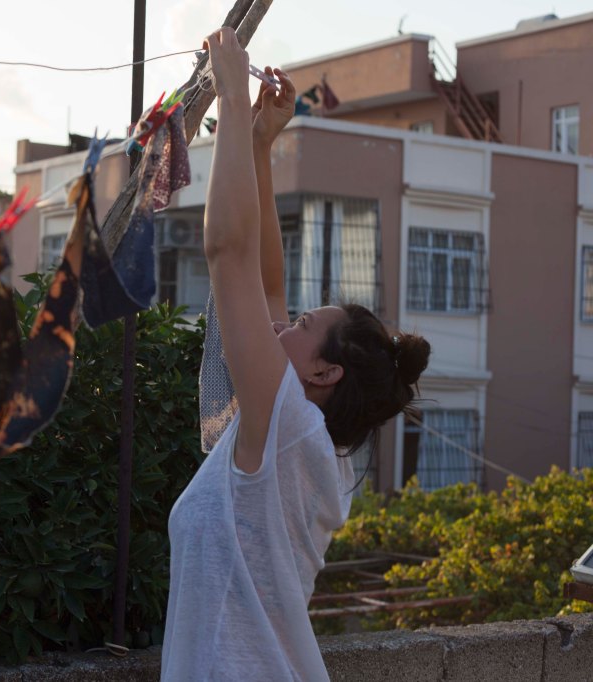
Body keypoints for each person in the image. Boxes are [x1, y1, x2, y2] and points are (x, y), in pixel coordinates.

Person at [160, 28, 431, 681]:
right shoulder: (307, 438)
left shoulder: (288, 426)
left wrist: (230, 96)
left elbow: (229, 254)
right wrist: (259, 144)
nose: (284, 323)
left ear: (324, 372)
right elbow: (265, 284)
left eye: (304, 325)